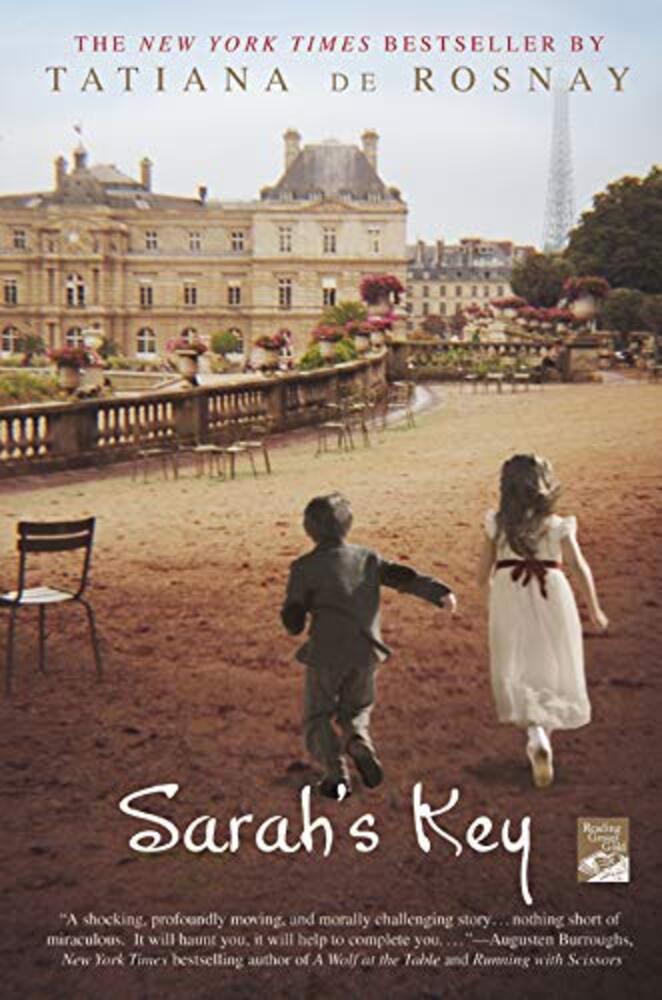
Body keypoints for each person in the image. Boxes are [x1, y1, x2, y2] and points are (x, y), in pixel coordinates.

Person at [282, 493, 456, 799]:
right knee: (357, 707)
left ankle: (335, 773)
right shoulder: (367, 558)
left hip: (326, 653)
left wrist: (294, 618)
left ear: (308, 528)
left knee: (318, 716)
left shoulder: (304, 567)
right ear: (348, 525)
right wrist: (438, 592)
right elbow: (402, 576)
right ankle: (358, 739)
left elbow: (293, 618)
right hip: (366, 651)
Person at [477, 455, 608, 788]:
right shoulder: (556, 525)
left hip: (509, 592)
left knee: (518, 664)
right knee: (551, 661)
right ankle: (542, 735)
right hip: (552, 592)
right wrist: (594, 609)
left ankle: (535, 733)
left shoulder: (498, 525)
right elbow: (579, 567)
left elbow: (482, 575)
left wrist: (494, 601)